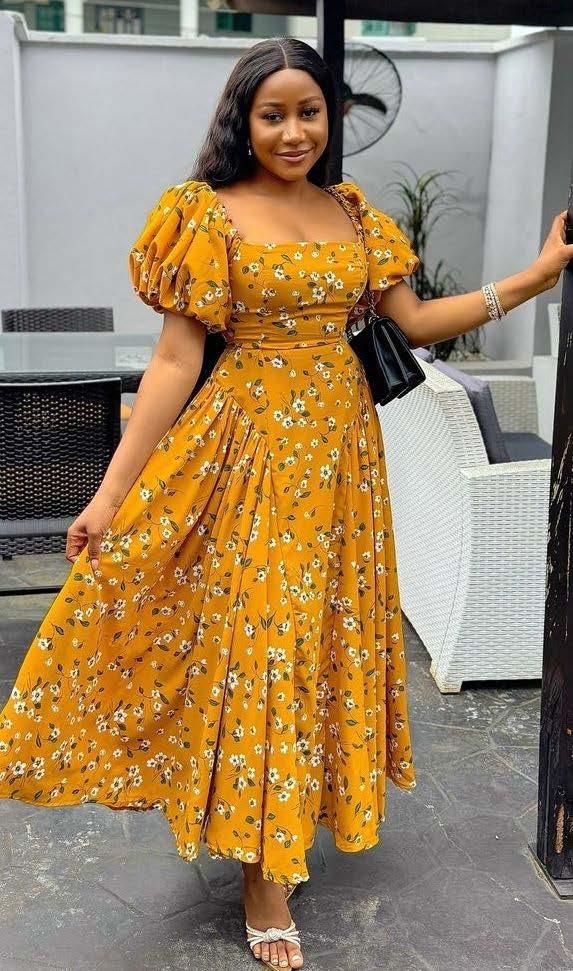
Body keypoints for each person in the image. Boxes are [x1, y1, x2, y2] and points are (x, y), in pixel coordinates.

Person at [0, 35, 571, 971]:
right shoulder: (204, 212)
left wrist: (531, 279)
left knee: (311, 647)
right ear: (244, 119)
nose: (294, 131)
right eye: (274, 114)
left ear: (330, 118)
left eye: (309, 112)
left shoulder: (353, 213)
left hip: (340, 467)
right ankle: (263, 876)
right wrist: (110, 492)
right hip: (240, 456)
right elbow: (176, 359)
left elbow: (416, 323)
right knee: (260, 649)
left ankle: (279, 821)